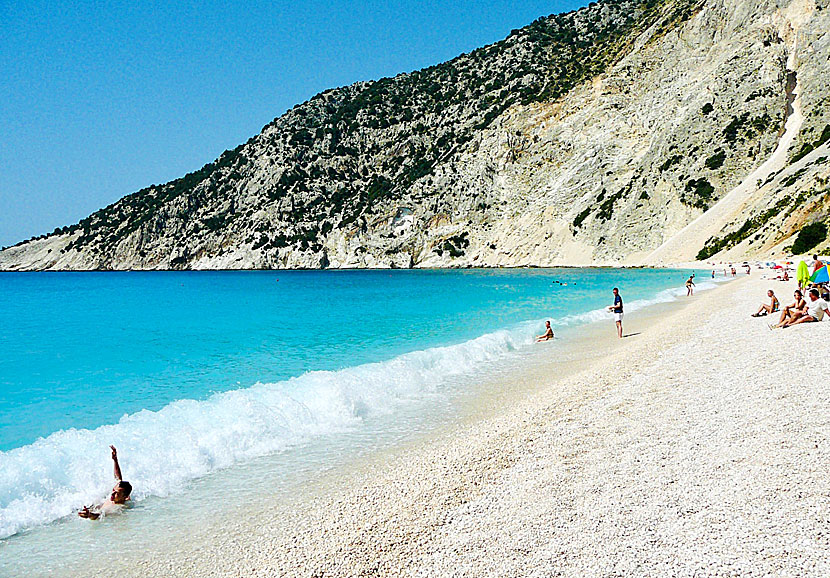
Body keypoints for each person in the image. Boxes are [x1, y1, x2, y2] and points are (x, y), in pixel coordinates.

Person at [78, 445, 132, 520]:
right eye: (113, 490)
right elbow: (118, 478)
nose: (112, 494)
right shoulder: (120, 494)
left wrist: (89, 515)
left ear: (125, 497)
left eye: (116, 493)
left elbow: (99, 515)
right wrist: (115, 460)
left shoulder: (116, 507)